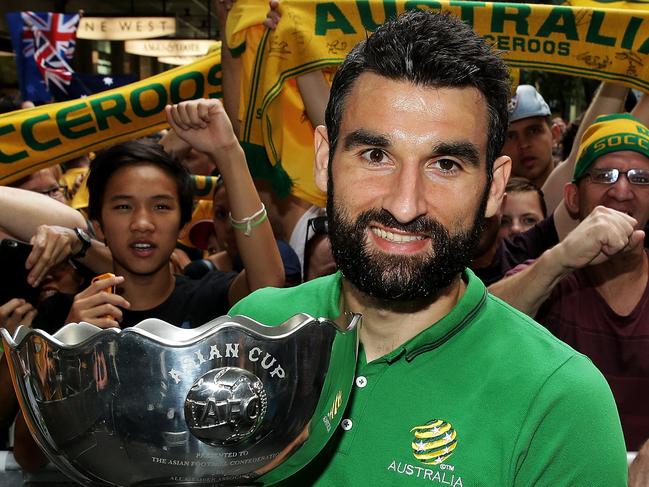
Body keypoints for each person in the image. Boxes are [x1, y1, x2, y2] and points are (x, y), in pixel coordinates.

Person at [229, 10, 626, 485]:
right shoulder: (252, 329)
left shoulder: (560, 401)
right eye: (375, 155)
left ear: (495, 186)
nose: (403, 204)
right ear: (323, 159)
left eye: (445, 164)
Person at [489, 113, 649, 453]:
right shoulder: (549, 278)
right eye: (603, 175)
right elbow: (473, 331)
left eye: (640, 178)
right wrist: (560, 259)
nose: (621, 190)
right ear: (573, 198)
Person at [65, 99, 284, 329]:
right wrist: (67, 342)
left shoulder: (208, 300)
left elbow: (267, 286)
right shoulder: (72, 313)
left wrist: (228, 152)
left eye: (161, 207)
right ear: (98, 224)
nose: (142, 224)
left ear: (183, 224)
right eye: (123, 207)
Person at [501, 84, 559, 188]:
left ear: (554, 135)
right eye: (510, 136)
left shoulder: (579, 194)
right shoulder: (486, 202)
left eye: (533, 131)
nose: (523, 144)